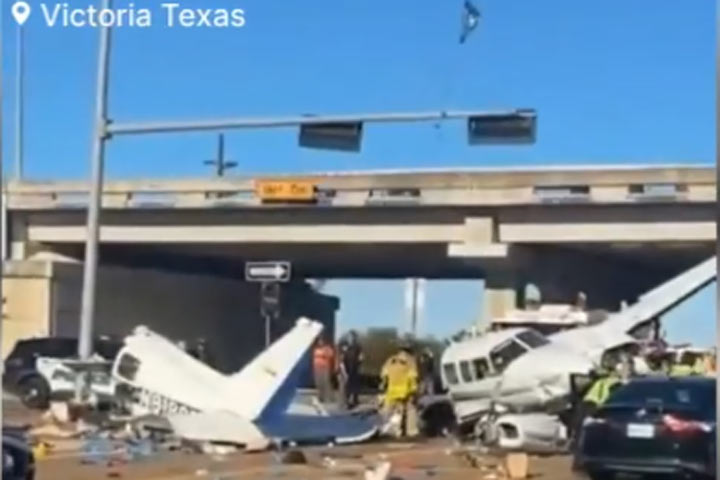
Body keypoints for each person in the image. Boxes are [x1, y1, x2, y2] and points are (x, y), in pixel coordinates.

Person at [379, 341, 419, 438]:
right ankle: (411, 431)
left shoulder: (391, 360)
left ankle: (389, 430)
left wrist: (383, 387)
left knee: (389, 411)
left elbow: (384, 375)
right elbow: (413, 377)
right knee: (410, 410)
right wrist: (414, 391)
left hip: (391, 391)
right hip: (405, 392)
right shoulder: (410, 361)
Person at [339, 331, 363, 409]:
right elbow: (342, 358)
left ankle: (354, 400)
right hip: (346, 368)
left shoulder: (358, 347)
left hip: (354, 368)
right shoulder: (345, 346)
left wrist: (359, 363)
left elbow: (361, 358)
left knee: (353, 385)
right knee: (346, 385)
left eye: (353, 337)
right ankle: (346, 402)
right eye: (350, 337)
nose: (352, 339)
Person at [312, 337, 335, 403]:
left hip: (325, 367)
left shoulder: (327, 348)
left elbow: (331, 355)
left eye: (321, 341)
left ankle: (329, 397)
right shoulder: (316, 349)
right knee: (319, 383)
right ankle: (320, 397)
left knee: (326, 382)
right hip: (317, 368)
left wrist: (325, 353)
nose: (320, 342)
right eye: (319, 341)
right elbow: (314, 358)